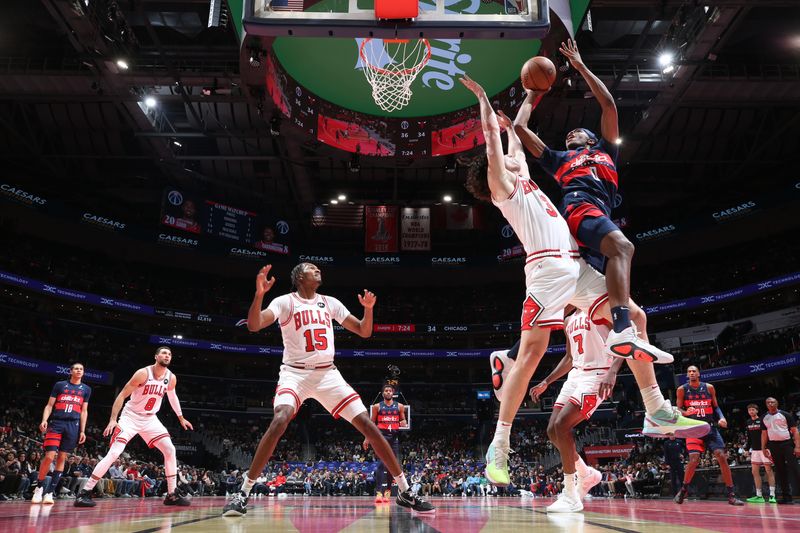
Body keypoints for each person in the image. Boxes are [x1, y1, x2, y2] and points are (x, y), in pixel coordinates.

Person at [460, 73, 706, 488]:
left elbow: (516, 134)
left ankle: (656, 407)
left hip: (576, 270)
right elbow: (493, 141)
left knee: (636, 317)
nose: (512, 153)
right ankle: (499, 444)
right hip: (545, 274)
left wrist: (530, 97)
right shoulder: (502, 186)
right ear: (494, 169)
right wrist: (484, 99)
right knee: (533, 355)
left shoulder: (524, 175)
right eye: (505, 156)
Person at [221, 263, 433, 516]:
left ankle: (405, 490)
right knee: (280, 420)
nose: (318, 270)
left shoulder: (330, 302)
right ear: (300, 277)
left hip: (327, 374)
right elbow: (254, 325)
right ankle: (243, 492)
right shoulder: (284, 301)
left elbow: (364, 332)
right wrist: (259, 295)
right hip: (295, 373)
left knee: (368, 425)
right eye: (312, 268)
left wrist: (368, 310)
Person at [512, 39, 652, 360]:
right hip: (577, 212)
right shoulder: (560, 158)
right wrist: (532, 96)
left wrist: (580, 66)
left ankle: (512, 354)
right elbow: (520, 128)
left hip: (588, 240)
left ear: (591, 138)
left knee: (635, 312)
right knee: (624, 247)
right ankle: (622, 329)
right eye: (567, 134)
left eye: (576, 132)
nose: (569, 134)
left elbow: (609, 106)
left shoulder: (606, 151)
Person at [73, 347, 193, 507]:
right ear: (156, 356)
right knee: (115, 452)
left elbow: (173, 396)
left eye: (169, 354)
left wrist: (181, 417)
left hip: (150, 419)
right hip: (130, 417)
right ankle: (84, 492)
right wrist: (113, 419)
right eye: (164, 353)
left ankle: (171, 494)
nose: (167, 355)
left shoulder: (171, 378)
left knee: (170, 450)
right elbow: (122, 394)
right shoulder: (143, 373)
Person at [529, 308, 622, 512]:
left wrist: (613, 371)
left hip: (598, 375)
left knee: (562, 425)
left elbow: (625, 339)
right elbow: (570, 357)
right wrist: (546, 381)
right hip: (576, 375)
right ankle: (586, 473)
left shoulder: (601, 309)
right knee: (552, 431)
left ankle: (570, 493)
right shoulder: (568, 319)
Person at [674, 366, 743, 505]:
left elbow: (716, 406)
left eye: (694, 371)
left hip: (709, 428)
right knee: (694, 459)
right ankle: (683, 489)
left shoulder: (709, 387)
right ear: (687, 375)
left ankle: (731, 495)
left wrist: (722, 418)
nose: (692, 373)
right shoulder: (682, 389)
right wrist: (686, 413)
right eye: (689, 371)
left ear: (699, 373)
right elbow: (678, 409)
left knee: (722, 456)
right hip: (693, 429)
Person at [32, 362, 91, 505]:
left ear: (83, 372)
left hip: (73, 425)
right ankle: (39, 488)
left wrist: (83, 430)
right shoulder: (60, 385)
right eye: (76, 368)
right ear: (70, 371)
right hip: (57, 423)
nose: (79, 370)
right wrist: (44, 419)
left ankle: (50, 493)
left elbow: (84, 411)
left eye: (81, 369)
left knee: (62, 458)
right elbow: (49, 405)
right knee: (49, 456)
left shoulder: (86, 389)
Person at [364, 383, 407, 503]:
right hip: (381, 438)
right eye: (386, 391)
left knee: (391, 467)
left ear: (393, 393)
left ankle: (387, 492)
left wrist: (403, 422)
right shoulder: (377, 407)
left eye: (390, 391)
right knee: (380, 465)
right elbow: (371, 424)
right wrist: (367, 438)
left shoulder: (400, 406)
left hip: (394, 439)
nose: (388, 392)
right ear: (383, 393)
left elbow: (403, 419)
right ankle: (378, 493)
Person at [761, 397, 800, 504]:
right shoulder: (764, 417)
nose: (770, 404)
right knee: (780, 471)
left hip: (787, 444)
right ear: (766, 404)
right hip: (773, 445)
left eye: (772, 402)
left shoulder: (785, 414)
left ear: (776, 403)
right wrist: (763, 447)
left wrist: (797, 446)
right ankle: (787, 497)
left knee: (795, 469)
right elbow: (764, 434)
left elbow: (795, 431)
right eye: (768, 402)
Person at [745, 403, 776, 503]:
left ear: (757, 411)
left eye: (753, 410)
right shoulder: (748, 422)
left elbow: (768, 435)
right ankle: (759, 496)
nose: (751, 411)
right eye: (749, 410)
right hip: (755, 451)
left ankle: (772, 495)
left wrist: (768, 448)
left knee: (768, 471)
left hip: (764, 449)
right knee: (754, 472)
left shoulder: (762, 420)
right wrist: (747, 449)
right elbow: (749, 437)